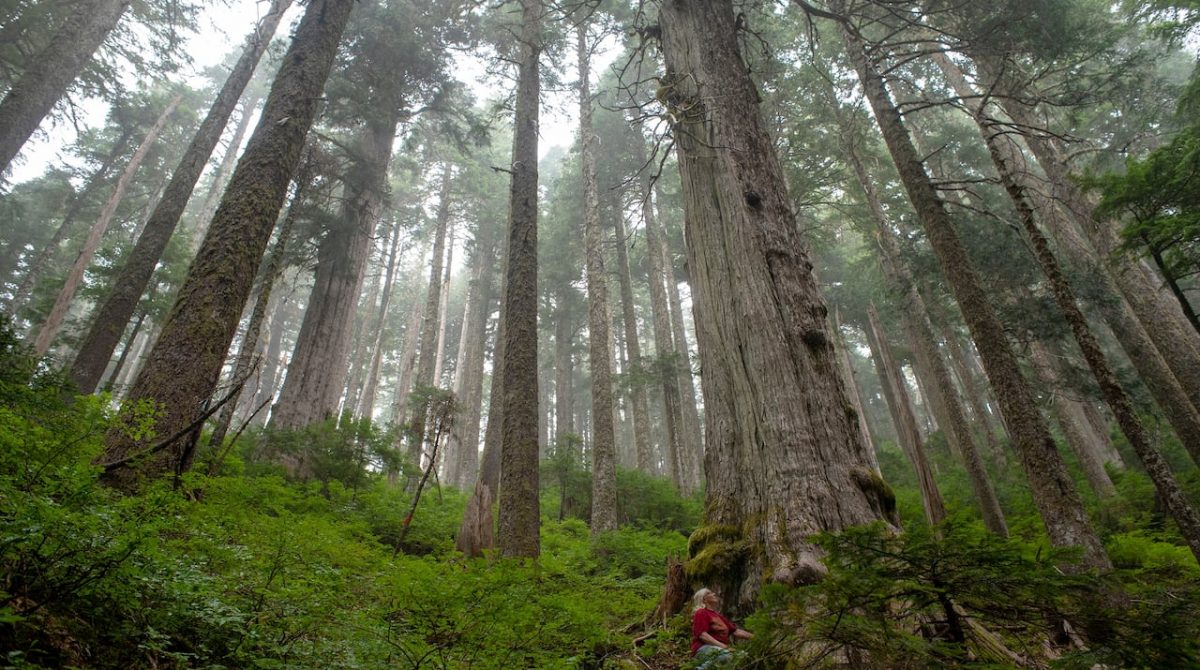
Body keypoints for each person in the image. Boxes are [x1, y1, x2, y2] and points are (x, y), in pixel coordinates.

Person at [691, 588, 753, 668]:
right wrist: (723, 646)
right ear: (704, 599)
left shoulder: (719, 616)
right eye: (709, 593)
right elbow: (703, 635)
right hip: (703, 648)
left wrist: (754, 637)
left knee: (743, 656)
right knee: (726, 656)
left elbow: (735, 631)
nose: (714, 594)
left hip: (719, 648)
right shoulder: (701, 612)